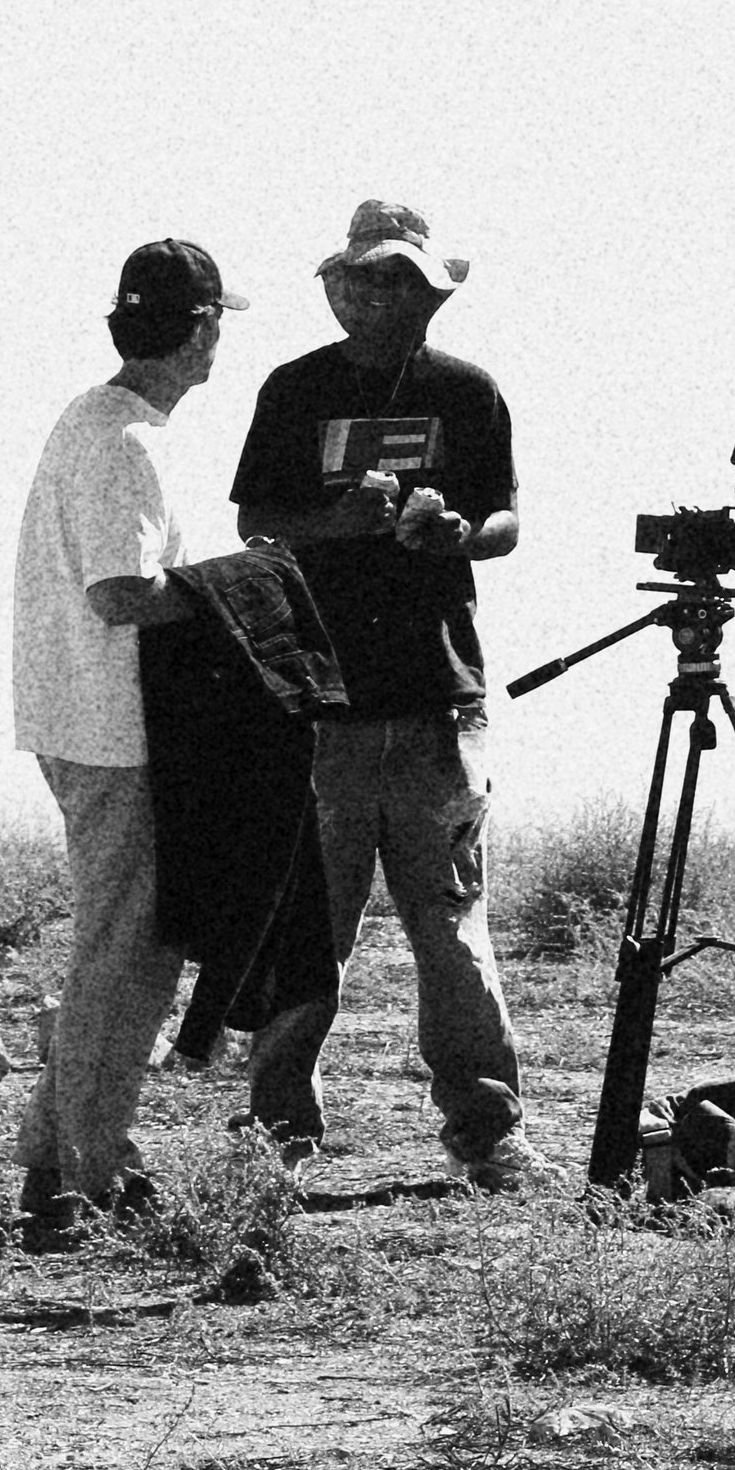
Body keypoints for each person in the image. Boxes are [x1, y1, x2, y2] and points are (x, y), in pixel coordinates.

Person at [229, 199, 549, 1186]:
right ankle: (277, 1131)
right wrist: (336, 523)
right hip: (316, 699)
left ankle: (487, 1129)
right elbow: (257, 522)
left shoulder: (469, 393)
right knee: (303, 931)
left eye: (398, 281)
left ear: (426, 294)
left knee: (449, 927)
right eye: (365, 280)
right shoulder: (293, 390)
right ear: (338, 291)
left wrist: (455, 533)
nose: (380, 296)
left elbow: (505, 520)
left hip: (432, 695)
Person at [11, 237, 244, 1231]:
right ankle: (85, 1175)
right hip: (116, 731)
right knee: (126, 957)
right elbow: (120, 592)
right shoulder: (125, 441)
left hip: (83, 720)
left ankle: (61, 1155)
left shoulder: (96, 423)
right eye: (214, 324)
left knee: (118, 948)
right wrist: (238, 590)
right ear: (198, 329)